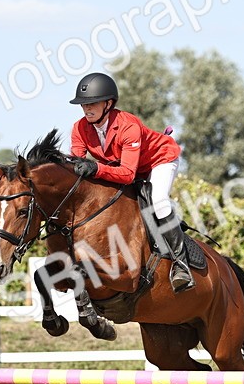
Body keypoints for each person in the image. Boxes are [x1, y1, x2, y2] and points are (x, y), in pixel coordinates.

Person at [68, 72, 195, 293]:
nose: (87, 109)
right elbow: (75, 165)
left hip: (159, 160)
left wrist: (96, 167)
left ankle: (181, 264)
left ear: (108, 104)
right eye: (83, 104)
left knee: (159, 200)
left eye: (92, 103)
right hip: (125, 167)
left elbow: (127, 174)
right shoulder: (79, 128)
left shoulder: (128, 126)